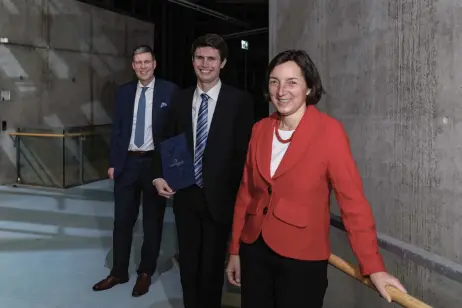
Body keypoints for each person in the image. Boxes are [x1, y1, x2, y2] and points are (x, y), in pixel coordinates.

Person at [225, 49, 408, 308]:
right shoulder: (260, 129)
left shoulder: (329, 132)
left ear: (309, 88)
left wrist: (373, 267)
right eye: (274, 81)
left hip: (301, 259)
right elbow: (246, 193)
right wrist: (234, 250)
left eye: (292, 82)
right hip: (254, 251)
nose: (281, 91)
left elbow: (352, 202)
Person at [152, 33, 254, 308]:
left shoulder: (239, 101)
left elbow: (245, 155)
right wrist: (159, 174)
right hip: (185, 197)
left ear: (222, 63)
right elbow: (165, 140)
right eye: (200, 58)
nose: (205, 64)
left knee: (211, 271)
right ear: (192, 61)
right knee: (188, 267)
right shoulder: (180, 99)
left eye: (211, 59)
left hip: (221, 201)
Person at [92, 45, 178, 297]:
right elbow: (117, 129)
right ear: (133, 65)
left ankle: (145, 272)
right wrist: (113, 163)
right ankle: (118, 272)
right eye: (138, 62)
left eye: (147, 62)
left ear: (154, 64)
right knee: (122, 222)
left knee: (153, 222)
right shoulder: (124, 92)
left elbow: (173, 134)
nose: (143, 66)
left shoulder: (169, 91)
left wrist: (170, 170)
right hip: (127, 164)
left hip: (154, 166)